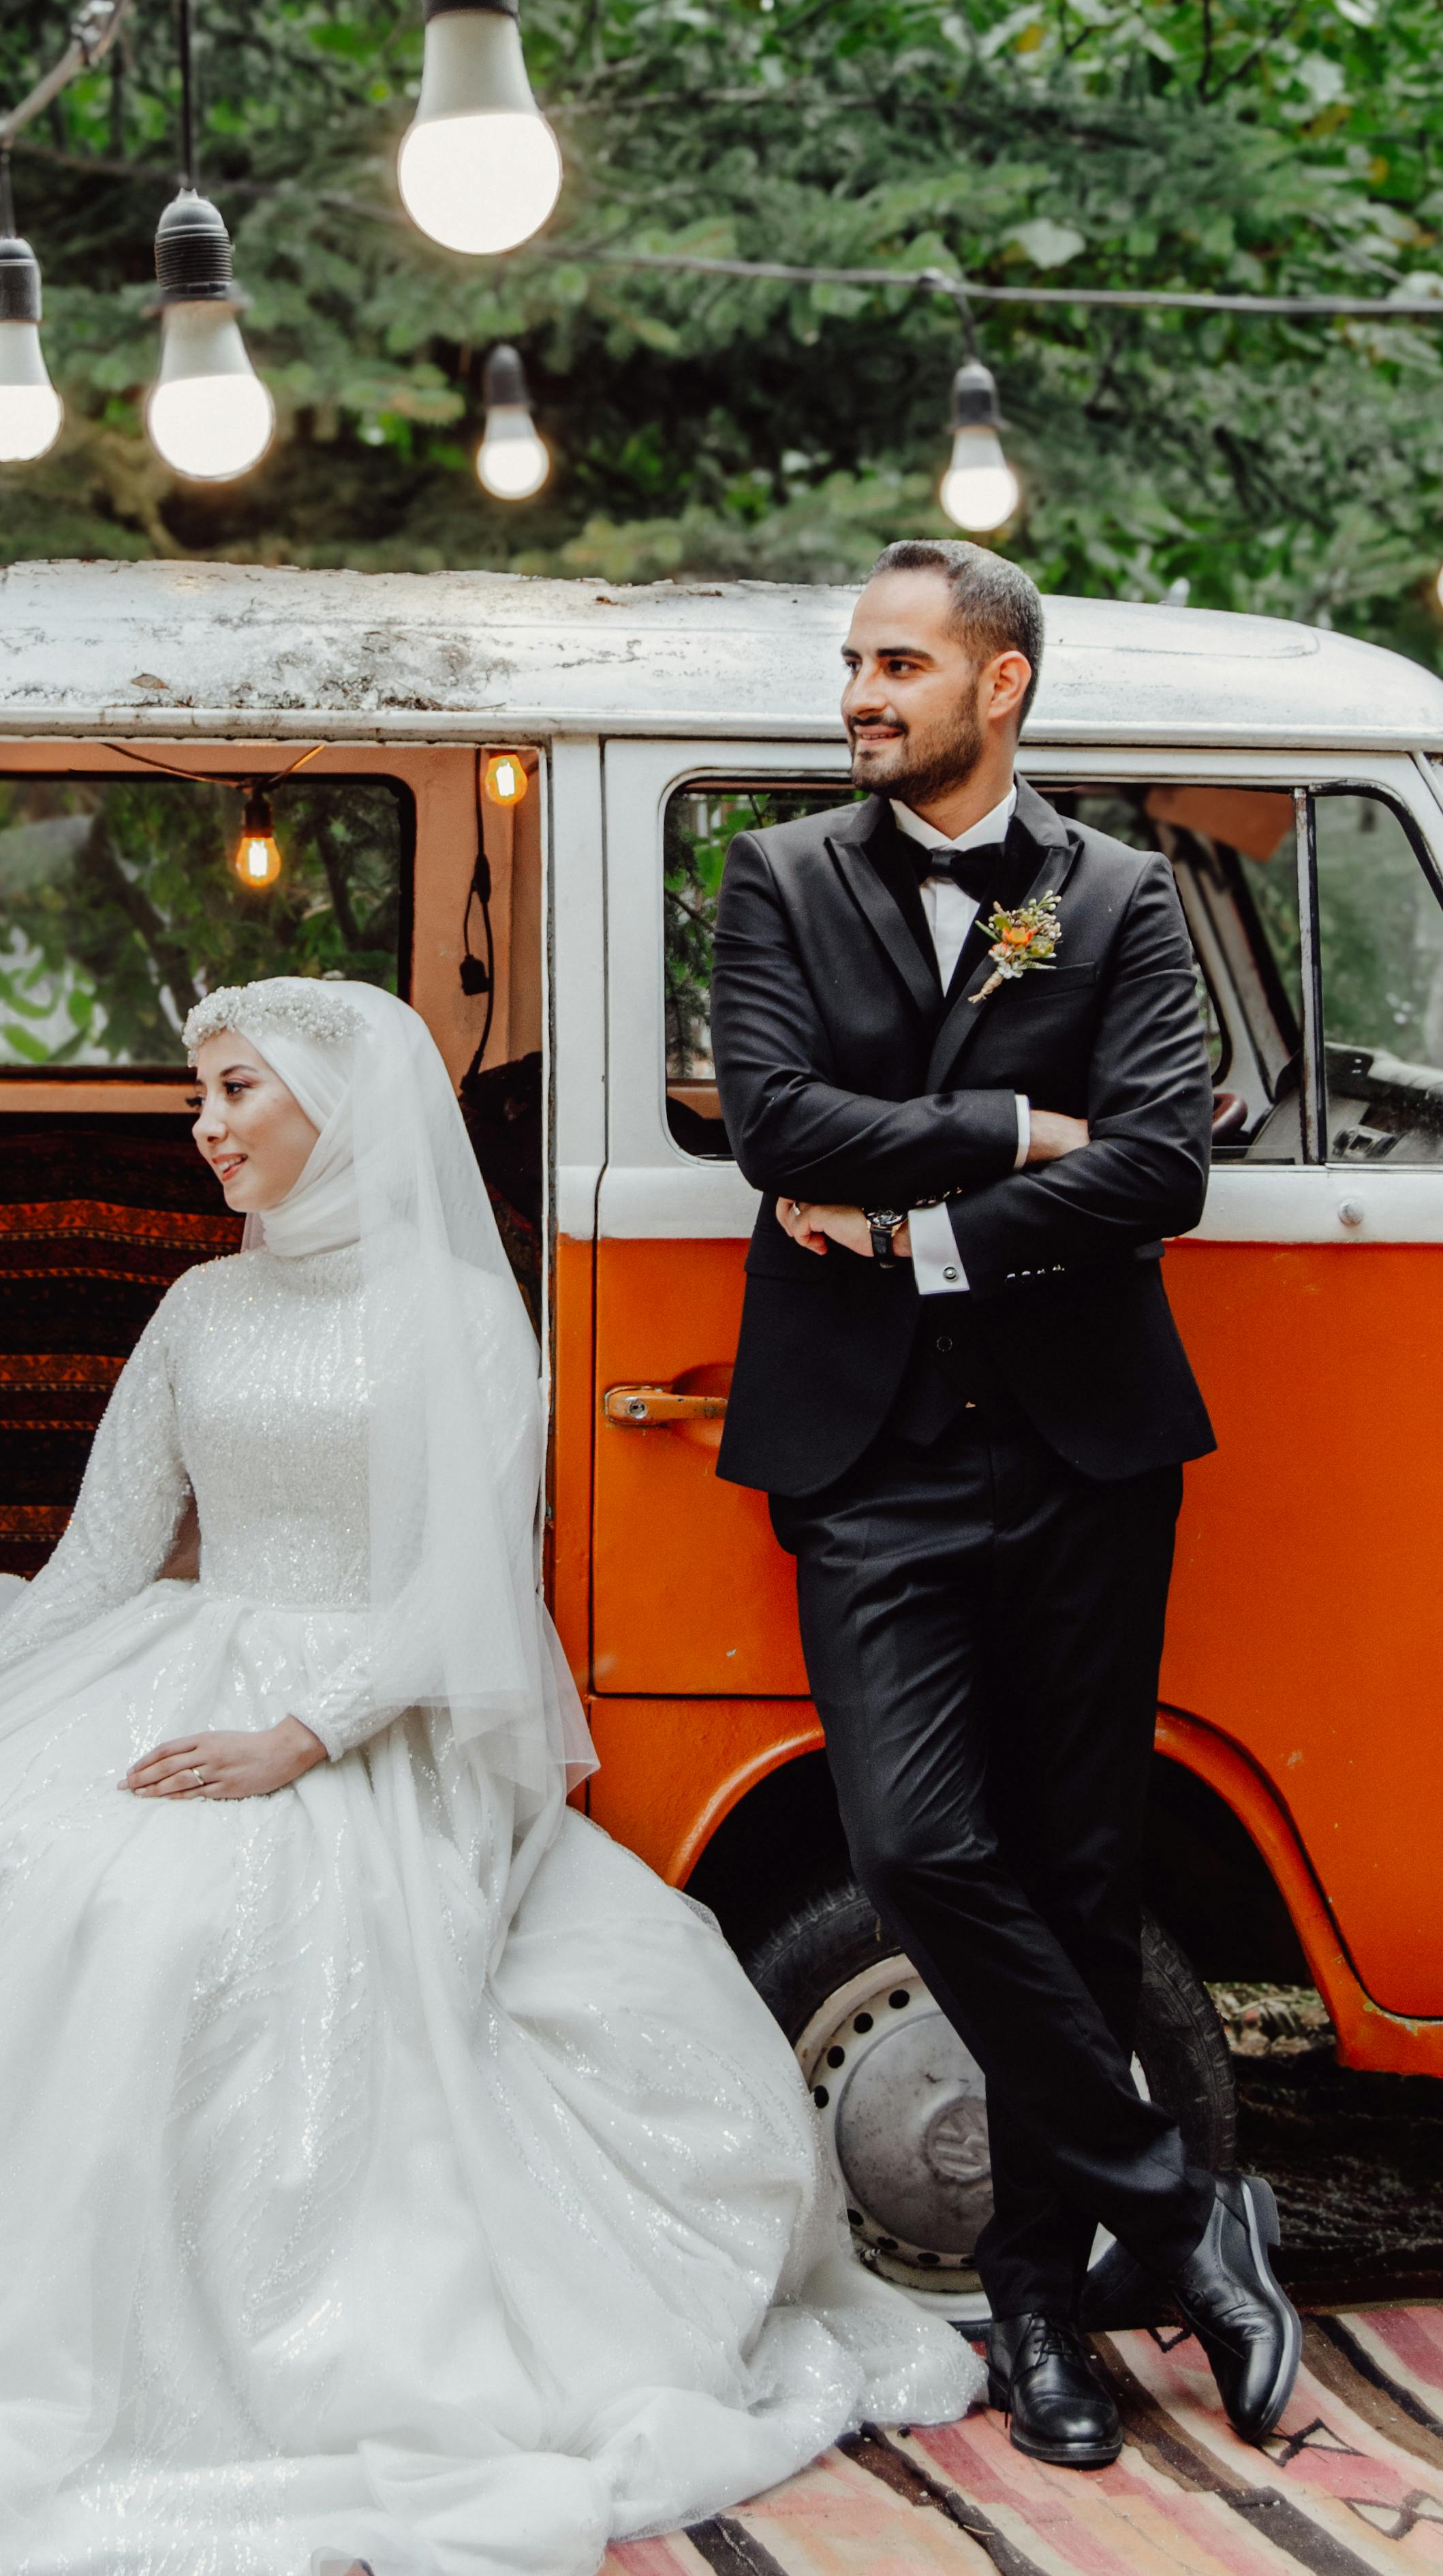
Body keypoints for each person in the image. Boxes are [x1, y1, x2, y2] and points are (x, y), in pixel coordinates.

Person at [0, 976, 979, 2576]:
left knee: (174, 1915)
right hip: (175, 1655)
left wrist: (299, 1737)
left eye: (236, 1089)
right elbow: (104, 1556)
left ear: (343, 1103)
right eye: (201, 1095)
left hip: (367, 1718)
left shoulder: (461, 1315)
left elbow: (461, 1586)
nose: (205, 1125)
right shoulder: (200, 1306)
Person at [708, 541, 1301, 2473]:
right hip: (862, 1460)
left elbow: (1155, 1174)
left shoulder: (1120, 897)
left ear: (1001, 685)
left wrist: (917, 1224)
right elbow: (769, 1118)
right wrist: (1002, 1129)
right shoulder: (776, 878)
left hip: (1081, 1452)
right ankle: (1179, 2205)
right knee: (918, 1837)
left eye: (896, 661)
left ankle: (1043, 2305)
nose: (859, 690)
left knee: (1069, 1870)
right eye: (852, 661)